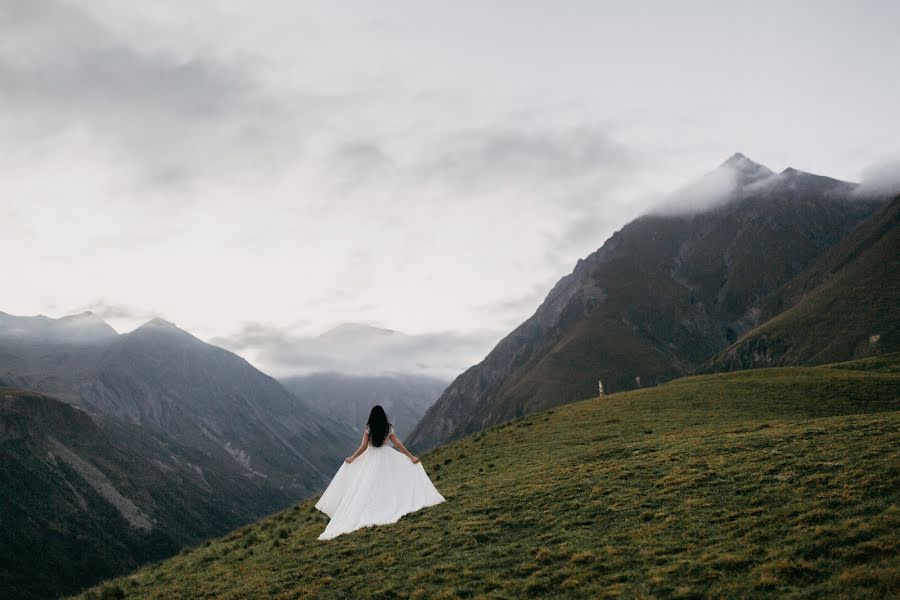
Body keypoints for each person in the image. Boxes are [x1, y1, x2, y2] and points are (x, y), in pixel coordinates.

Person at [314, 405, 445, 540]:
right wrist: (411, 457)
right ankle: (386, 503)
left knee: (367, 485)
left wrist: (353, 457)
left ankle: (372, 506)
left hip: (371, 457)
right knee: (388, 482)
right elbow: (399, 445)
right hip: (385, 455)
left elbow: (364, 447)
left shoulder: (368, 428)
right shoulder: (388, 428)